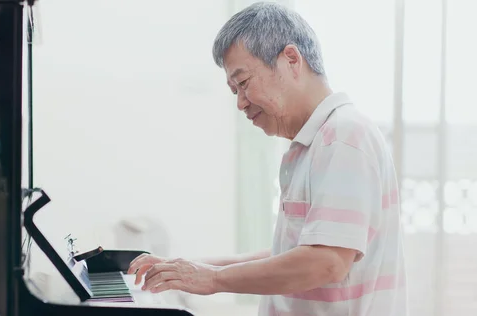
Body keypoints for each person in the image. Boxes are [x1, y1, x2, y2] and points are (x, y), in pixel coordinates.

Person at [127, 2, 407, 316]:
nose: (241, 104)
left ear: (291, 60)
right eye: (234, 90)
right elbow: (291, 254)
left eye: (243, 83)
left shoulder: (344, 136)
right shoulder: (311, 145)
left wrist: (212, 279)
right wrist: (189, 269)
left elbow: (325, 262)